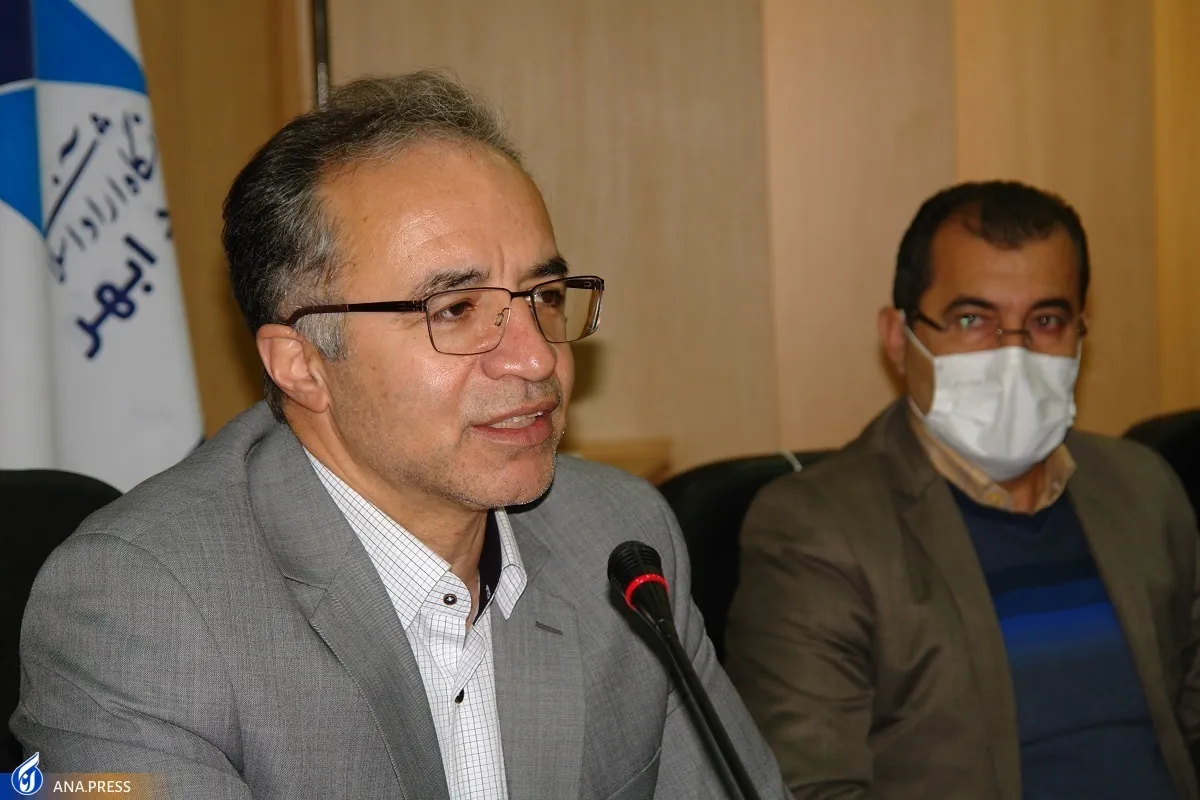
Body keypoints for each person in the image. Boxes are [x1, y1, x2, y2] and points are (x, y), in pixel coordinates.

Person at [11, 71, 787, 800]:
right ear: (302, 365)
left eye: (544, 295)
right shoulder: (140, 607)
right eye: (455, 310)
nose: (536, 358)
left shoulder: (616, 540)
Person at [724, 181, 1200, 799]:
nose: (1013, 356)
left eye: (1046, 321)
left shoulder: (1143, 489)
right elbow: (808, 788)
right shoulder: (816, 530)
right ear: (899, 338)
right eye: (973, 320)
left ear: (1081, 333)